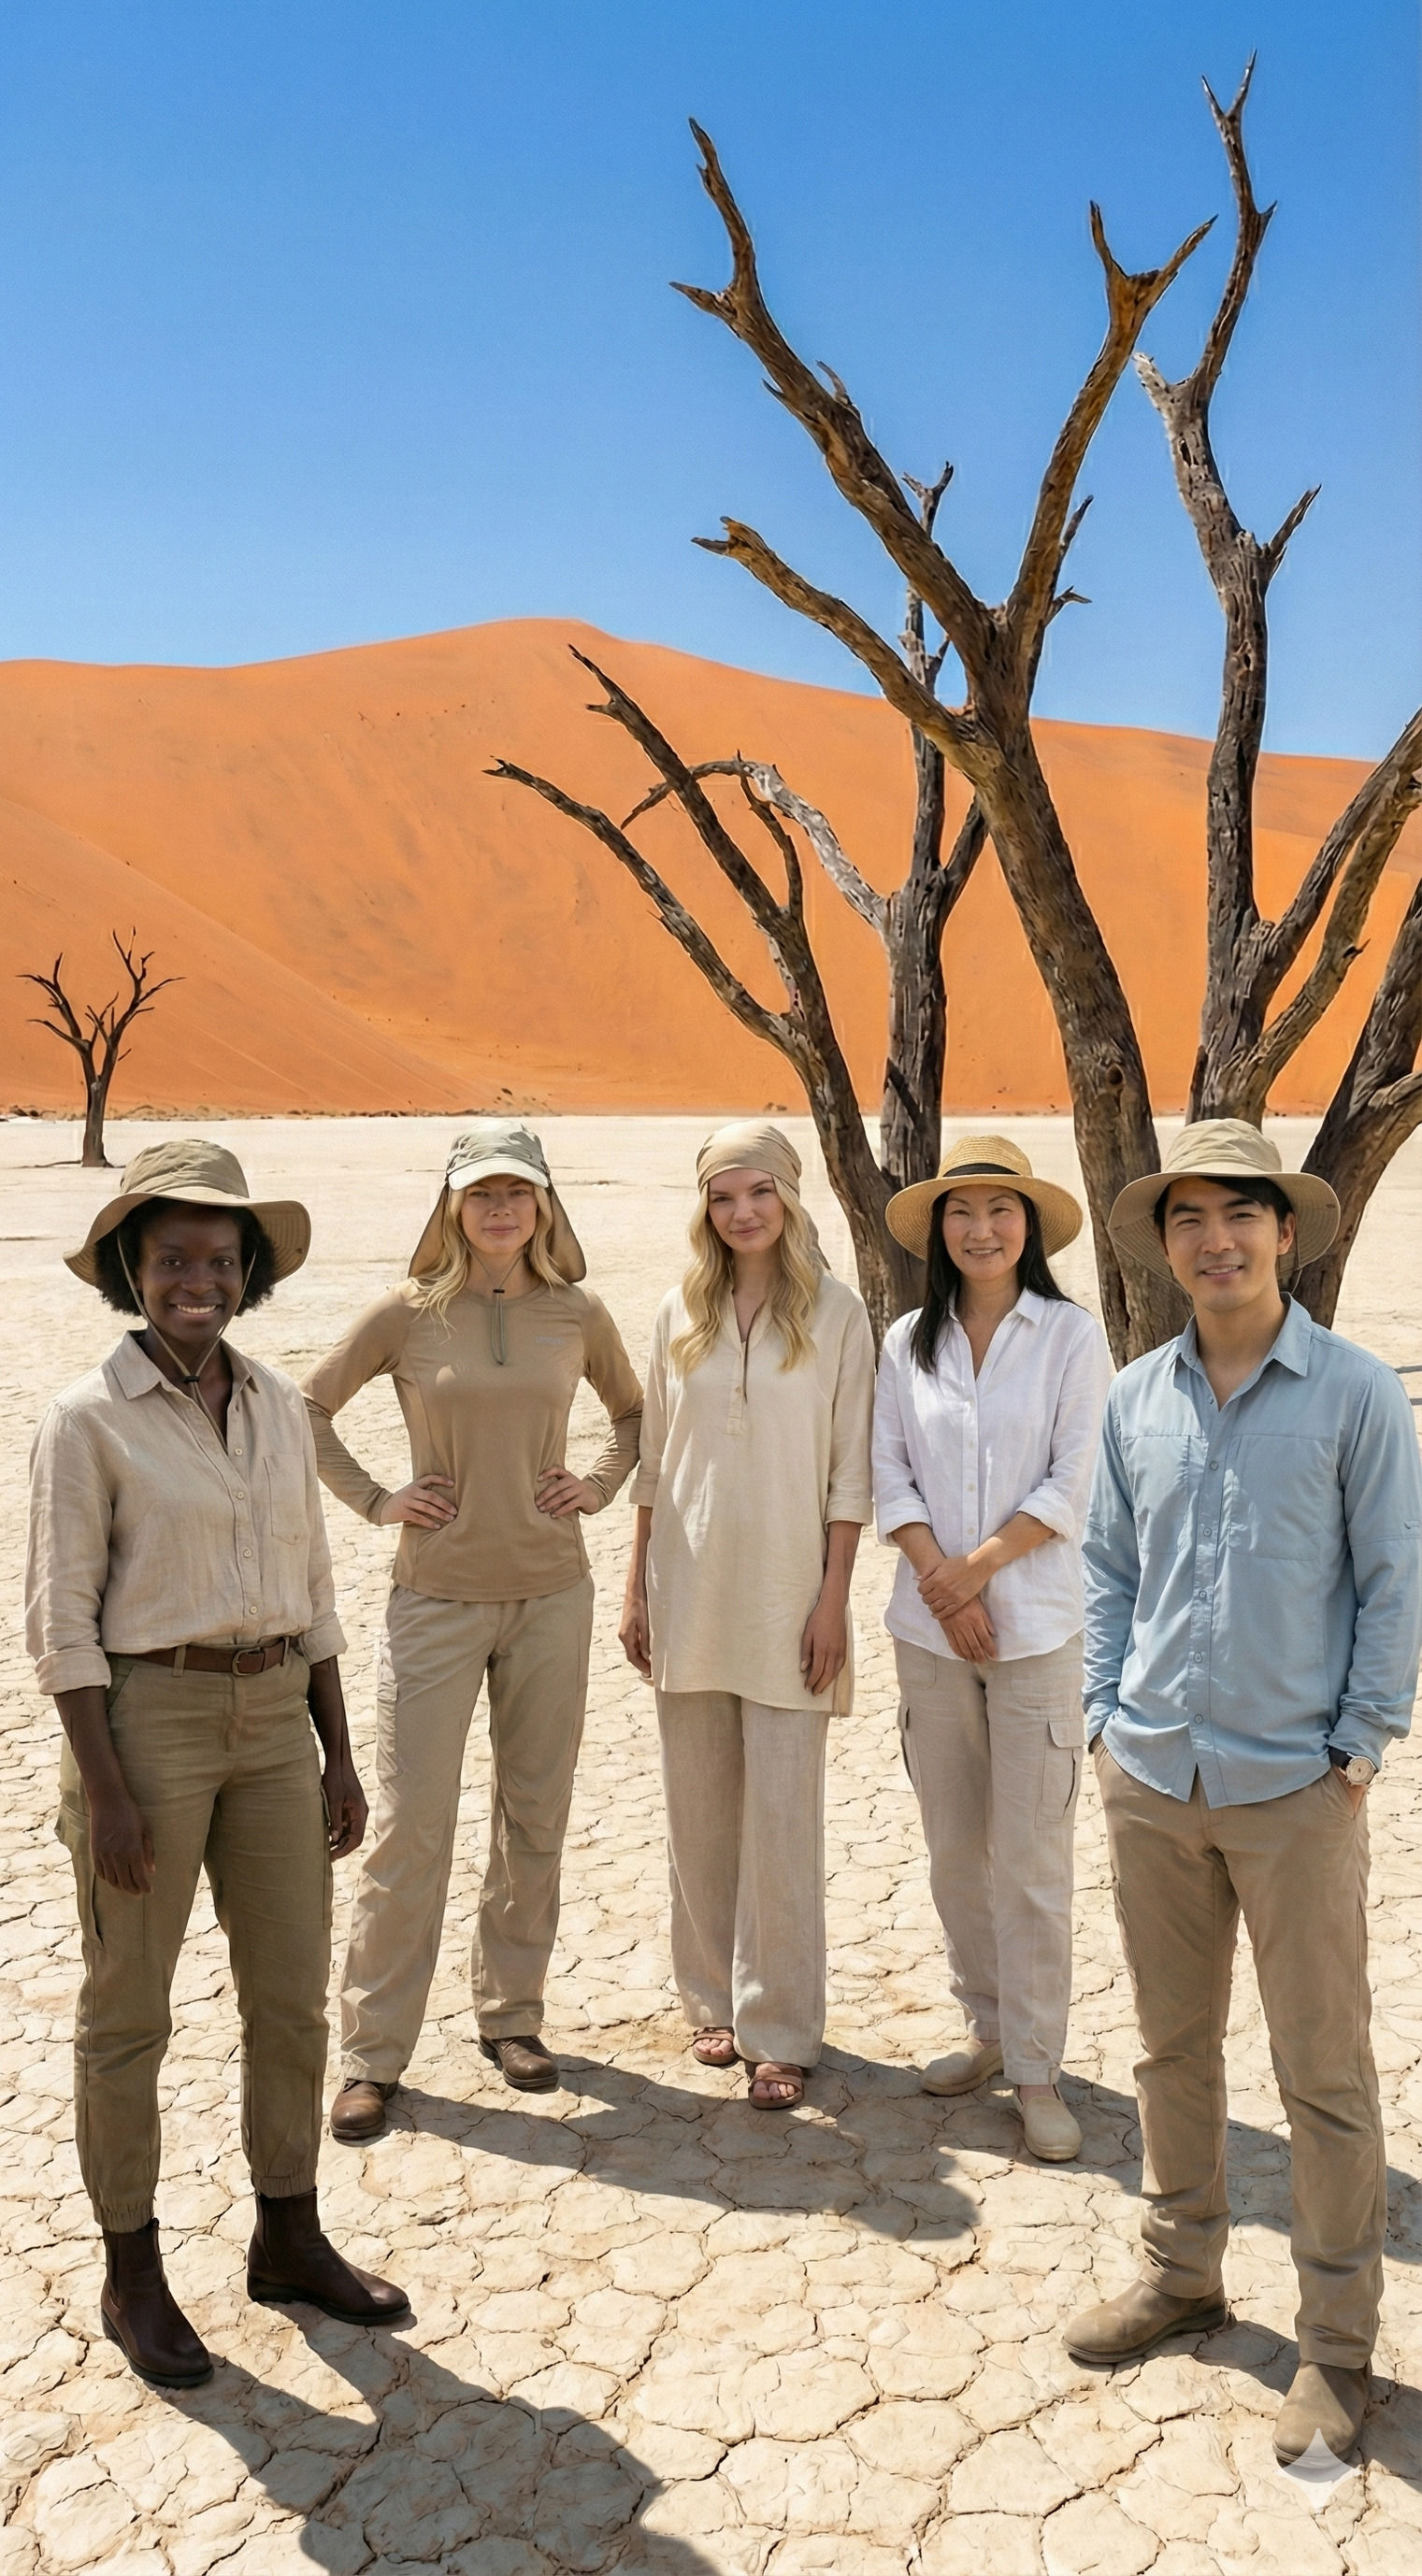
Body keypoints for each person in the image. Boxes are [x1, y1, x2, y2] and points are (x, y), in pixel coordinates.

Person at [1065, 1120, 1422, 2468]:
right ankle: (1182, 2275)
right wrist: (1106, 1717)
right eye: (1188, 1219)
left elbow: (1394, 1579)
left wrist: (1359, 1747)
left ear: (1283, 1231)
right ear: (1164, 1248)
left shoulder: (1352, 1393)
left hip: (1295, 1788)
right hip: (1152, 1773)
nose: (1214, 1241)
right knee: (1170, 2050)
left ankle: (1335, 2349)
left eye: (1239, 1215)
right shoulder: (1132, 1398)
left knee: (1321, 2075)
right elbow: (1105, 1570)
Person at [26, 1139, 407, 2391]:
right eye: (175, 1256)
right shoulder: (88, 1421)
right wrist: (111, 1786)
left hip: (275, 1719)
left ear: (248, 1278)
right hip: (148, 1726)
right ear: (131, 1269)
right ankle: (131, 2268)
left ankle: (288, 2231)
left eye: (222, 1259)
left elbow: (311, 1585)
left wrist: (337, 1750)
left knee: (291, 1999)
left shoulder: (277, 1408)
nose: (200, 1277)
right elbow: (63, 1624)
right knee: (129, 2011)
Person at [303, 1122, 642, 2138]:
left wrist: (595, 1483)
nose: (501, 1209)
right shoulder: (408, 1313)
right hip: (436, 1598)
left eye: (518, 1192)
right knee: (412, 1826)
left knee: (533, 1813)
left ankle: (512, 2015)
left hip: (551, 1592)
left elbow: (634, 1415)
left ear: (544, 1205)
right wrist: (376, 1499)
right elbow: (307, 1408)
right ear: (453, 1205)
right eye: (481, 1193)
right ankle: (372, 2054)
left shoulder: (577, 1311)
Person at [620, 1122, 875, 2111]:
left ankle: (783, 2025)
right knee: (698, 1811)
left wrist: (832, 1598)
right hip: (689, 1590)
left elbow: (850, 1472)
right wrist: (639, 1585)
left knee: (782, 1818)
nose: (742, 1213)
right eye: (724, 1197)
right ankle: (709, 2000)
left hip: (788, 1597)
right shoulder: (676, 1310)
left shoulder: (841, 1316)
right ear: (706, 1210)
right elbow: (654, 1465)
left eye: (759, 1192)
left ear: (791, 1198)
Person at [873, 1135, 1112, 2162]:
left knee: (1032, 1856)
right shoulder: (903, 1343)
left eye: (1000, 1210)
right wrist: (943, 1580)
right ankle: (984, 2027)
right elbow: (887, 1474)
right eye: (962, 1212)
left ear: (1029, 1226)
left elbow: (1072, 1480)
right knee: (955, 1850)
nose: (981, 1229)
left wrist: (974, 1571)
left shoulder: (1068, 1335)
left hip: (1037, 1629)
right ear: (939, 1230)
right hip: (930, 1632)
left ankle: (1038, 2069)